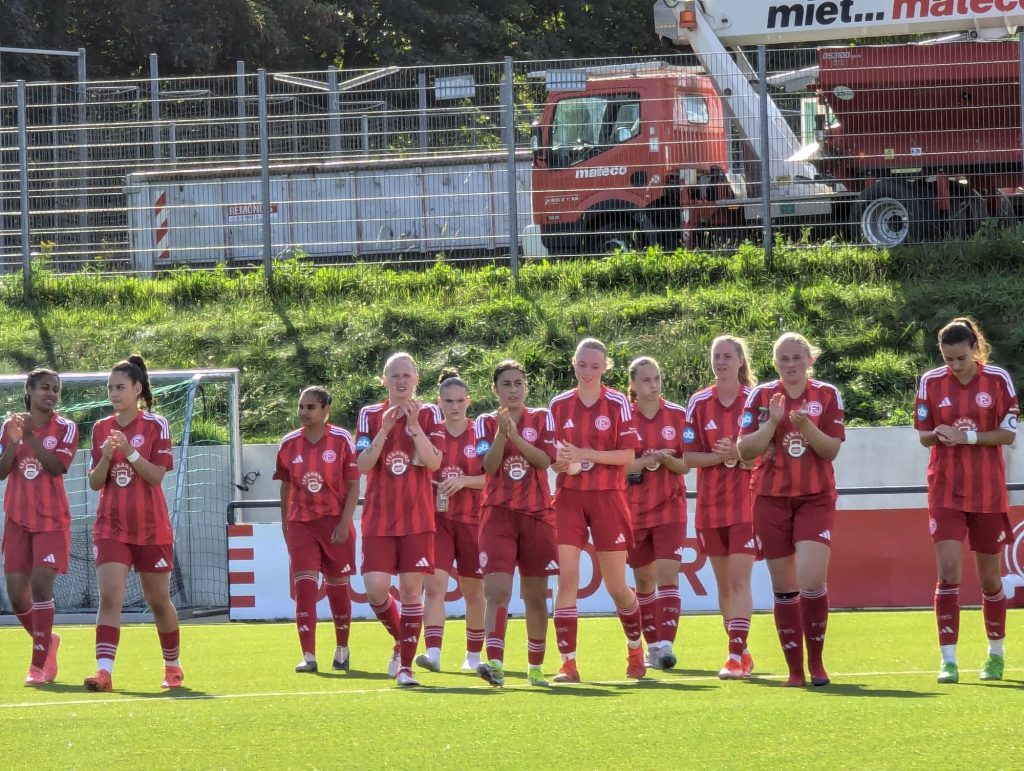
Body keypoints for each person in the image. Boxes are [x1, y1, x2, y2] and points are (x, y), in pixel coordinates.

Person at [914, 317, 1019, 683]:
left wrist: (968, 439)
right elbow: (923, 435)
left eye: (960, 358)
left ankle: (995, 654)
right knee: (948, 573)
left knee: (990, 580)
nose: (955, 366)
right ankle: (948, 660)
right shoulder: (930, 382)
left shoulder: (998, 380)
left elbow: (1008, 436)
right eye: (948, 359)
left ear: (974, 350)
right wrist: (939, 434)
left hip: (988, 493)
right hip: (945, 490)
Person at [737, 332, 844, 687]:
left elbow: (830, 450)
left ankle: (817, 663)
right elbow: (744, 450)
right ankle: (795, 671)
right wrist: (771, 423)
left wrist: (806, 426)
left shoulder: (826, 395)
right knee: (784, 586)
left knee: (812, 580)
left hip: (815, 497)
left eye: (797, 358)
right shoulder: (761, 396)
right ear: (775, 363)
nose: (791, 365)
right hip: (770, 498)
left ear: (809, 361)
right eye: (784, 359)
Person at [548, 337, 644, 683]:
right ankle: (568, 664)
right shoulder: (558, 405)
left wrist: (585, 454)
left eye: (594, 365)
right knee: (568, 578)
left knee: (617, 585)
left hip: (607, 497)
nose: (587, 371)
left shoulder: (617, 402)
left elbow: (628, 456)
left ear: (605, 367)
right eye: (581, 364)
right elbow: (556, 457)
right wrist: (561, 465)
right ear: (573, 365)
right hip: (570, 498)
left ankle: (635, 649)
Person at [84, 355, 182, 692]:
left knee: (158, 601)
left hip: (151, 527)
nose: (114, 393)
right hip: (110, 525)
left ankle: (173, 666)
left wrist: (130, 451)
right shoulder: (100, 429)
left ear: (138, 389)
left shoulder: (156, 425)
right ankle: (104, 672)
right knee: (110, 597)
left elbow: (156, 476)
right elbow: (96, 483)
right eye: (110, 387)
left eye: (120, 387)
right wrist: (109, 457)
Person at [355, 352, 444, 687]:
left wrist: (413, 426)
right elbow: (362, 465)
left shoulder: (430, 414)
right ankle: (401, 637)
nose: (401, 381)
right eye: (395, 376)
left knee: (411, 591)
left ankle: (406, 667)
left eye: (407, 376)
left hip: (417, 518)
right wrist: (385, 430)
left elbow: (433, 462)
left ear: (417, 380)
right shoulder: (369, 415)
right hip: (379, 517)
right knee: (376, 589)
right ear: (385, 381)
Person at [474, 360, 559, 687]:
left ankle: (535, 667)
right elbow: (489, 466)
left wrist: (517, 438)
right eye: (506, 384)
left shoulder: (542, 418)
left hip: (537, 515)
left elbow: (544, 461)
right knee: (496, 591)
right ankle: (494, 663)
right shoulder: (484, 422)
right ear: (495, 390)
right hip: (497, 515)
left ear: (526, 387)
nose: (513, 389)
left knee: (536, 595)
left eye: (518, 383)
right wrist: (500, 434)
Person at [684, 336, 757, 680]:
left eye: (728, 355)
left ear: (741, 361)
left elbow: (767, 453)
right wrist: (721, 456)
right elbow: (687, 457)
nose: (721, 361)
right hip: (710, 507)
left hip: (746, 504)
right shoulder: (699, 402)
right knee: (725, 585)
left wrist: (740, 456)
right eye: (716, 356)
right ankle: (741, 650)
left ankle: (732, 655)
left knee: (740, 579)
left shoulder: (755, 400)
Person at [274, 386, 360, 674]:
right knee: (305, 588)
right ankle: (308, 655)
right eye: (301, 406)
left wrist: (345, 522)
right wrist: (286, 525)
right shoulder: (288, 444)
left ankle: (342, 648)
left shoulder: (341, 440)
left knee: (337, 590)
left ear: (326, 411)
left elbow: (353, 484)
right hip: (302, 524)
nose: (303, 412)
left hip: (334, 522)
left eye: (310, 407)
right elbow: (285, 488)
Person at [0, 368, 78, 686]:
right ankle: (48, 641)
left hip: (51, 521)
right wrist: (14, 443)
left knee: (42, 587)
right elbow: (2, 472)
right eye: (45, 388)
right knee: (18, 598)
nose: (51, 394)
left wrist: (30, 436)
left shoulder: (66, 427)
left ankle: (37, 665)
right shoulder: (9, 426)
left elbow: (58, 467)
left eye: (56, 389)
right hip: (17, 521)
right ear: (29, 390)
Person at [415, 369, 486, 674]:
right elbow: (418, 473)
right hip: (439, 521)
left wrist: (465, 481)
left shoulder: (480, 433)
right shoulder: (433, 434)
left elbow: (493, 478)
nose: (455, 406)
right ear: (439, 402)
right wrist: (435, 485)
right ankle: (433, 653)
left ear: (468, 401)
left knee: (474, 592)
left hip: (474, 521)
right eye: (449, 401)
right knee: (434, 588)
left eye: (460, 400)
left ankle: (472, 656)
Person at [623, 357, 689, 671]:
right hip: (632, 510)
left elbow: (687, 463)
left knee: (667, 573)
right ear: (633, 384)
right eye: (646, 380)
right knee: (643, 580)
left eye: (657, 378)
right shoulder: (622, 416)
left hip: (670, 507)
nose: (653, 385)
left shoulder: (677, 414)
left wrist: (666, 460)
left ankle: (666, 645)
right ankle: (653, 648)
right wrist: (640, 463)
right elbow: (615, 465)